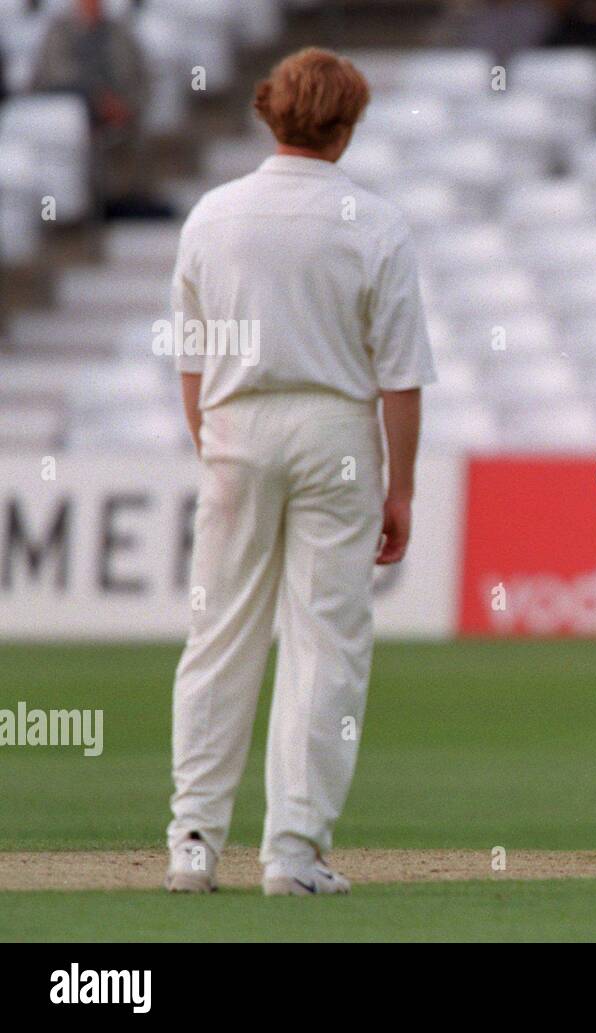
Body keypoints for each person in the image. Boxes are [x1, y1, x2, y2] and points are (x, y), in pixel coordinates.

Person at [163, 49, 436, 896]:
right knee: (326, 644)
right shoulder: (375, 221)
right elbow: (399, 376)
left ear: (268, 111)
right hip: (333, 430)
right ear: (346, 125)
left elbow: (191, 361)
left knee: (219, 636)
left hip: (237, 424)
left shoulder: (213, 215)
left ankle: (194, 844)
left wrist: (215, 444)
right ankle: (292, 852)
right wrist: (402, 488)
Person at [30, 0, 167, 218]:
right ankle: (81, 211)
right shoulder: (58, 32)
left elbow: (140, 79)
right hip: (73, 114)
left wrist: (125, 106)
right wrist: (97, 100)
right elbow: (54, 78)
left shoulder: (119, 33)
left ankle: (125, 200)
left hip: (119, 113)